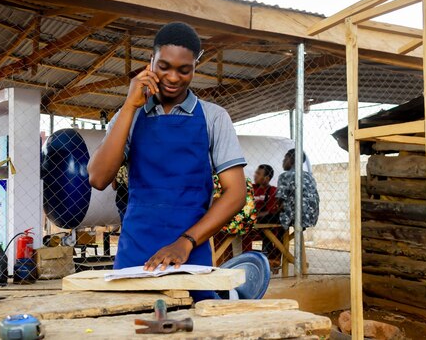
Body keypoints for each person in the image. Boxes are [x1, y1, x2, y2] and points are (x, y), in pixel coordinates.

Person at [87, 22, 247, 301]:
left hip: (191, 252)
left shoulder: (213, 117)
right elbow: (98, 178)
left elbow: (236, 194)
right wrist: (129, 106)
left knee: (193, 325)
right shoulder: (130, 115)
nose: (173, 77)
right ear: (151, 62)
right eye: (164, 66)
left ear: (195, 67)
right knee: (130, 324)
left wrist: (185, 243)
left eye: (184, 70)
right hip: (135, 253)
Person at [276, 149, 320, 230]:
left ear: (291, 159)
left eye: (285, 159)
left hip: (294, 217)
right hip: (311, 217)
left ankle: (276, 242)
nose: (283, 161)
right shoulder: (309, 176)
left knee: (265, 219)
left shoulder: (285, 176)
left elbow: (279, 200)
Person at [252, 164, 283, 269]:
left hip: (264, 225)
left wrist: (254, 215)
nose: (255, 175)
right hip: (252, 226)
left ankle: (273, 258)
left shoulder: (273, 191)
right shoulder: (250, 188)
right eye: (256, 172)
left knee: (266, 224)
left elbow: (271, 212)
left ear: (267, 178)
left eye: (258, 174)